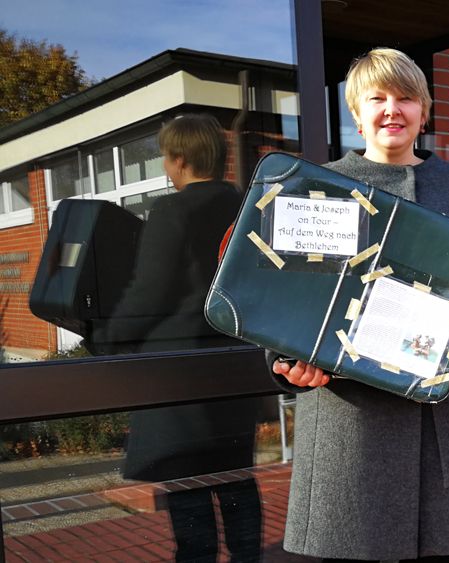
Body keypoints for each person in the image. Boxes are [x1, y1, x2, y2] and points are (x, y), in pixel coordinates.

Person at [265, 48, 449, 563]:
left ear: (424, 112)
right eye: (378, 98)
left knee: (439, 553)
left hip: (439, 408)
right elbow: (289, 293)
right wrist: (282, 363)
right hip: (351, 414)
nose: (393, 109)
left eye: (406, 98)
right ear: (357, 113)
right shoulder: (319, 187)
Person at [96, 114, 262, 563]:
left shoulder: (173, 211)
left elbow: (149, 290)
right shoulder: (250, 207)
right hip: (236, 366)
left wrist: (108, 340)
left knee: (188, 486)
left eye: (167, 160)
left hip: (182, 373)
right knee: (235, 477)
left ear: (181, 159)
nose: (167, 170)